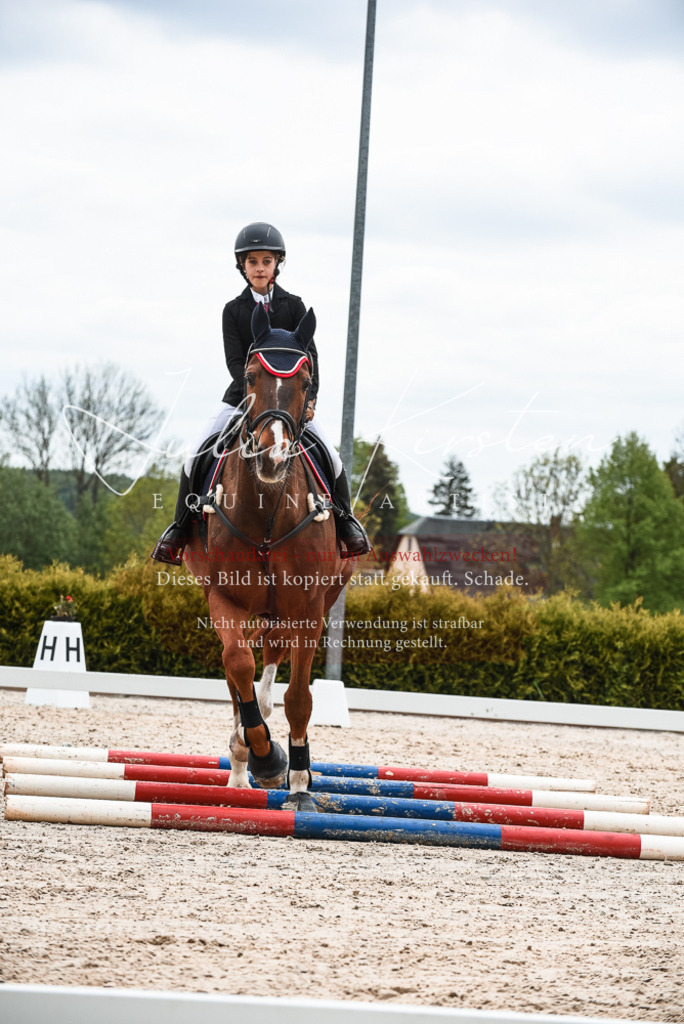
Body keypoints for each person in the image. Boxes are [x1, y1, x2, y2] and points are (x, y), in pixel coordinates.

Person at [152, 221, 370, 565]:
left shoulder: (294, 307)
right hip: (243, 399)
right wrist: (256, 402)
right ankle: (178, 530)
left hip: (291, 406)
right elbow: (235, 361)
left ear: (276, 265)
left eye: (266, 261)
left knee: (331, 454)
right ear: (242, 266)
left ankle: (346, 524)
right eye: (252, 261)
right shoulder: (233, 311)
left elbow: (310, 360)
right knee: (196, 454)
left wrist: (309, 402)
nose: (259, 268)